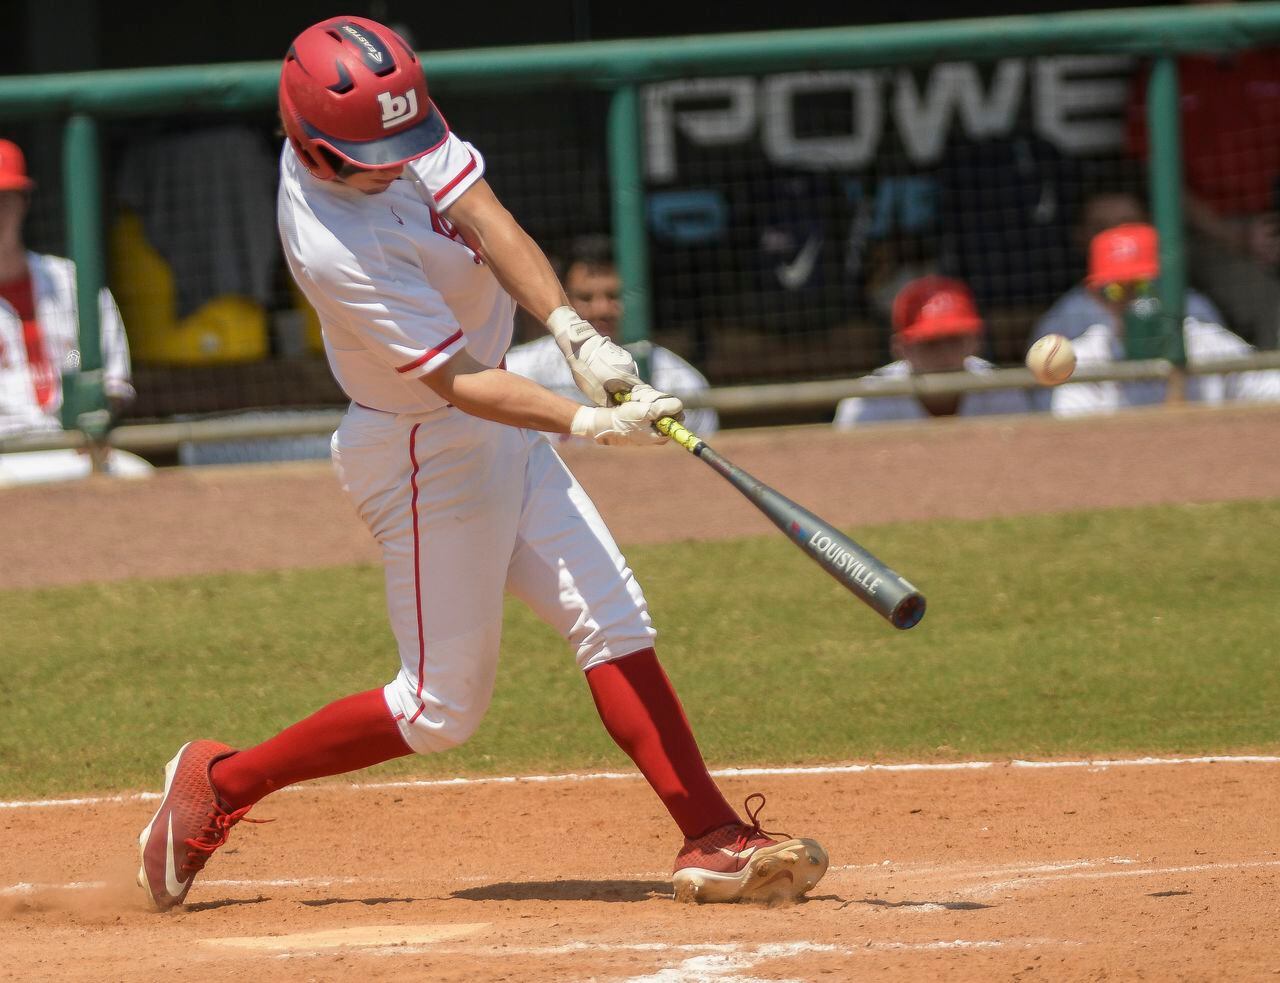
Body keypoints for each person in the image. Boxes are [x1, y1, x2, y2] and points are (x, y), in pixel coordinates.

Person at [136, 17, 827, 913]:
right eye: (369, 151)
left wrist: (574, 332)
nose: (395, 158)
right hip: (426, 449)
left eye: (401, 138)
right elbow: (458, 381)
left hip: (497, 420)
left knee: (611, 613)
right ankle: (221, 781)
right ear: (313, 147)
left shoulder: (395, 120)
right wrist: (588, 420)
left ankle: (714, 834)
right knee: (437, 710)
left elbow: (488, 218)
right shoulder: (332, 242)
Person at [0, 138, 151, 486]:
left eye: (3, 200)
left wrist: (93, 421)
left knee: (139, 478)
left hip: (72, 447)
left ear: (23, 203)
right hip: (5, 453)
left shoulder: (70, 283)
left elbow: (111, 380)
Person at [1127, 13, 1280, 349]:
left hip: (1268, 220)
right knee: (1269, 303)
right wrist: (1236, 235)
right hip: (1205, 234)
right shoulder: (1167, 67)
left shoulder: (1268, 58)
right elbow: (1159, 177)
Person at [1051, 222, 1280, 417]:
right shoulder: (1085, 358)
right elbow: (1074, 435)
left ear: (1167, 284)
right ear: (1096, 296)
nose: (1133, 301)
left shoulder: (1207, 342)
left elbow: (1271, 391)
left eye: (1142, 285)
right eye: (1116, 290)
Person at [505, 236, 719, 438]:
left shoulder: (679, 378)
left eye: (614, 296)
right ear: (564, 299)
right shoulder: (519, 370)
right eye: (585, 298)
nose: (601, 310)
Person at [833, 275, 1033, 428]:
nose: (943, 354)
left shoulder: (1001, 391)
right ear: (901, 348)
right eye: (930, 342)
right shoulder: (869, 400)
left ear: (975, 341)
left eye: (953, 339)